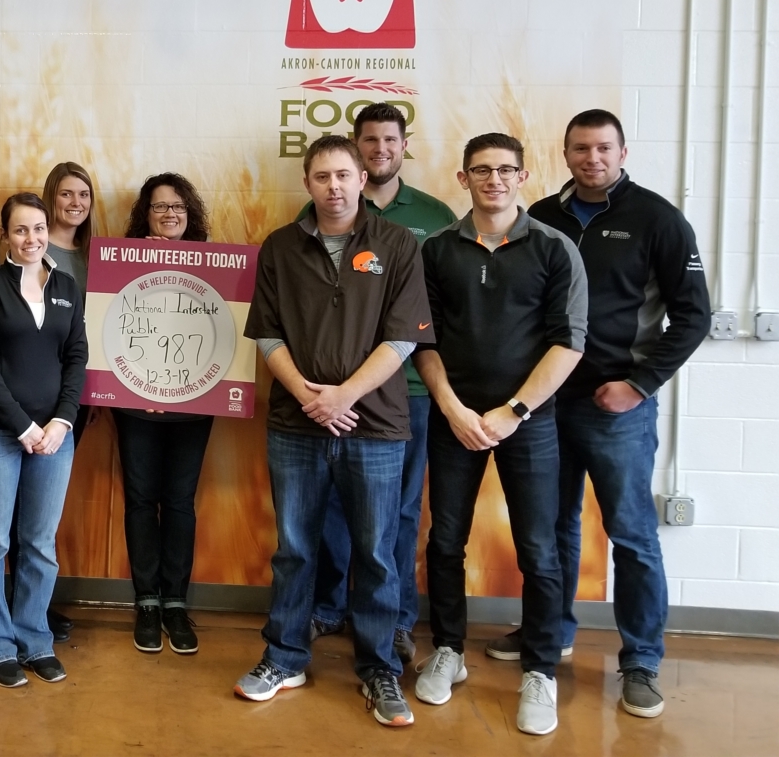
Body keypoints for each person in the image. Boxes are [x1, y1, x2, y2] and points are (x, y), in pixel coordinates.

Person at [489, 109, 709, 719]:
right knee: (548, 530)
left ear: (622, 151)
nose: (593, 159)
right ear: (564, 154)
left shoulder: (658, 219)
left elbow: (694, 317)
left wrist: (638, 384)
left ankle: (640, 660)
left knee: (632, 535)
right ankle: (549, 635)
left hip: (617, 409)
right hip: (543, 404)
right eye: (581, 149)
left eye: (604, 149)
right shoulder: (540, 219)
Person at [235, 136, 433, 729]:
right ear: (308, 182)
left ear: (362, 178)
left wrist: (344, 396)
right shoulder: (279, 246)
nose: (335, 186)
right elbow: (267, 334)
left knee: (374, 554)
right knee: (295, 548)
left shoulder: (396, 244)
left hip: (375, 426)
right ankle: (285, 656)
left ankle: (378, 671)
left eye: (344, 175)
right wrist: (307, 395)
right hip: (296, 424)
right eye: (322, 176)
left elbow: (403, 338)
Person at [414, 132, 587, 737]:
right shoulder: (437, 251)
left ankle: (539, 669)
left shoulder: (554, 248)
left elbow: (569, 342)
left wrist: (513, 410)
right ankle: (450, 651)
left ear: (523, 176)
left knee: (539, 550)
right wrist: (455, 409)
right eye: (481, 170)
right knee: (444, 543)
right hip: (454, 418)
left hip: (528, 423)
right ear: (463, 179)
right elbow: (423, 341)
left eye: (505, 170)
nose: (494, 179)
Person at [299, 104, 457, 665]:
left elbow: (434, 306)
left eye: (390, 140)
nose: (379, 149)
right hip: (329, 396)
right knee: (338, 507)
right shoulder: (321, 210)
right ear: (357, 150)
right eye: (369, 140)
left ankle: (396, 621)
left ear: (403, 145)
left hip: (407, 392)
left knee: (402, 511)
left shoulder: (435, 216)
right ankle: (333, 605)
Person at [0, 193, 88, 688]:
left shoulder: (67, 286)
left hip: (55, 438)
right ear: (6, 235)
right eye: (20, 230)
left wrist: (62, 421)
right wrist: (23, 425)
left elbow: (76, 355)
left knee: (39, 543)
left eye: (38, 229)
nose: (32, 239)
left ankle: (34, 640)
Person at [115, 172, 213, 656]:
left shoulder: (213, 264)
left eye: (178, 206)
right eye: (160, 207)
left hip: (194, 405)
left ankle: (175, 601)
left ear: (189, 213)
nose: (171, 213)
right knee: (139, 499)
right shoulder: (123, 261)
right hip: (136, 403)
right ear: (145, 214)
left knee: (179, 501)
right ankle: (146, 601)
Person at [43, 160, 97, 293]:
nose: (76, 203)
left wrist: (154, 249)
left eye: (83, 195)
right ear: (51, 198)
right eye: (66, 194)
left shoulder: (95, 253)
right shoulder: (35, 248)